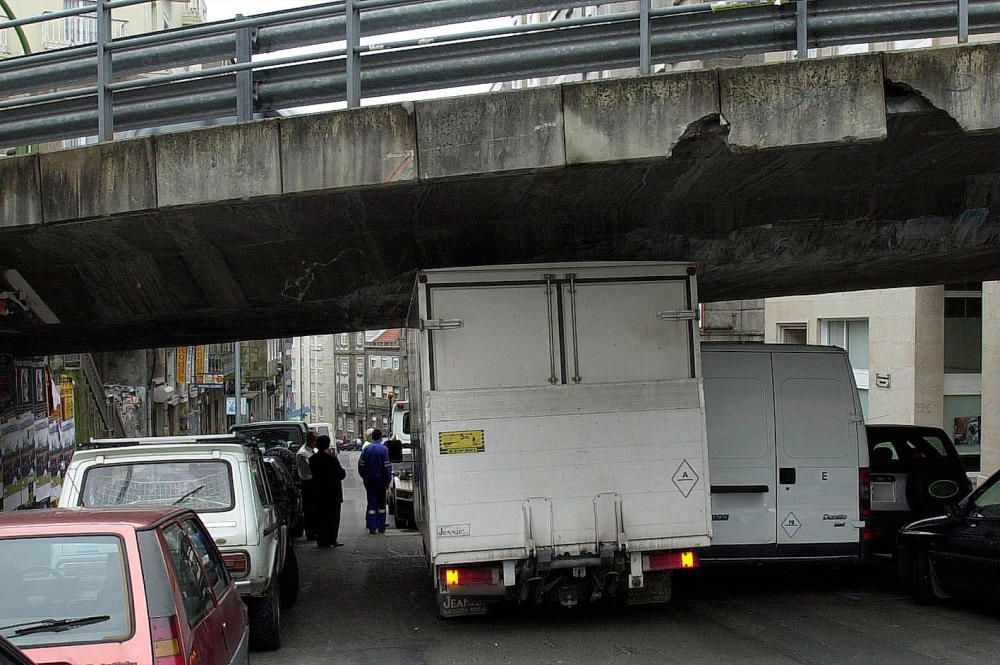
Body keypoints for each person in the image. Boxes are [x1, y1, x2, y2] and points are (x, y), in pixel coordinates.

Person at [309, 435, 347, 548]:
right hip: (332, 492)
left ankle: (321, 540)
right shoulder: (332, 459)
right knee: (333, 517)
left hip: (318, 492)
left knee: (320, 517)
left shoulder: (312, 459)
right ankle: (332, 539)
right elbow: (341, 474)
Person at [357, 428, 392, 534]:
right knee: (381, 504)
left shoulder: (366, 450)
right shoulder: (384, 449)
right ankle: (381, 526)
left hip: (370, 480)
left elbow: (361, 465)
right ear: (381, 437)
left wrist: (364, 477)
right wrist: (387, 481)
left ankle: (372, 527)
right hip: (381, 481)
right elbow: (387, 467)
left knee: (371, 503)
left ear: (372, 437)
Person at [296, 431, 318, 541]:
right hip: (308, 483)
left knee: (314, 509)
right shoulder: (303, 453)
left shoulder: (312, 450)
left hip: (313, 482)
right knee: (309, 509)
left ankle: (314, 531)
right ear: (311, 441)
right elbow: (308, 471)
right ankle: (311, 533)